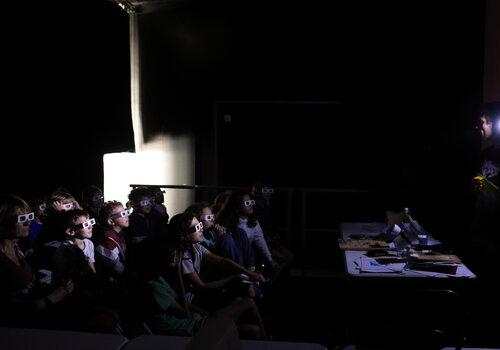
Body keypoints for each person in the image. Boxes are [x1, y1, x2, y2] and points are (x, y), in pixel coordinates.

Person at [0, 194, 73, 328]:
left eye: (29, 217)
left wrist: (53, 286)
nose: (28, 223)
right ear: (4, 221)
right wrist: (52, 298)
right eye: (22, 219)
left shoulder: (17, 249)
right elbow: (8, 310)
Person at [468, 102, 500, 342]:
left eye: (485, 121)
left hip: (496, 237)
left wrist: (487, 187)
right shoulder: (486, 154)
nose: (481, 125)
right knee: (478, 286)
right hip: (480, 229)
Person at [94, 201, 129, 281]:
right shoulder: (108, 242)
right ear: (111, 221)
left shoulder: (119, 234)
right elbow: (117, 268)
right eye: (123, 214)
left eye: (126, 212)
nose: (127, 216)